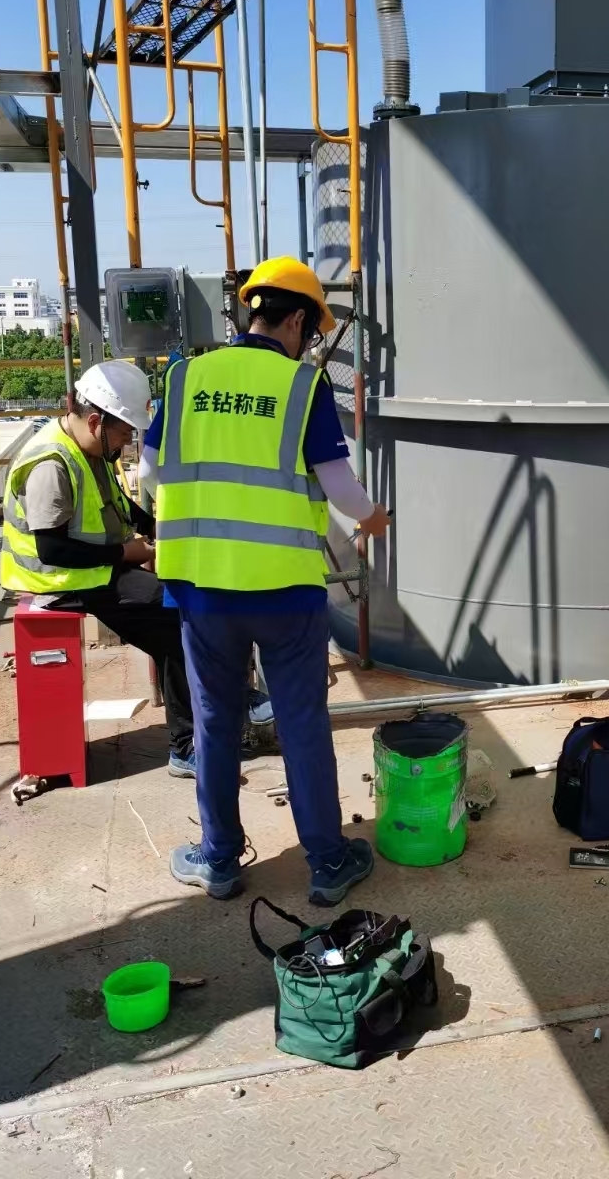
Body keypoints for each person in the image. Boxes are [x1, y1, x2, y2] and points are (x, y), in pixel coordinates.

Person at [142, 256, 389, 904]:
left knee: (215, 721)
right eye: (312, 332)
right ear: (298, 320)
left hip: (203, 589)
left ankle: (219, 859)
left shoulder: (186, 376)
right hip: (284, 589)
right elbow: (341, 488)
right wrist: (374, 519)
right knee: (302, 722)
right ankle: (328, 864)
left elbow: (148, 471)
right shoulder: (303, 386)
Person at [0, 361, 196, 775]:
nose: (127, 442)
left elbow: (120, 507)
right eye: (125, 433)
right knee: (175, 618)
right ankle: (187, 746)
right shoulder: (51, 464)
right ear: (95, 422)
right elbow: (52, 549)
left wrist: (159, 528)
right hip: (64, 581)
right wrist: (126, 554)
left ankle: (196, 732)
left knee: (174, 616)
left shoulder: (91, 449)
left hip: (94, 571)